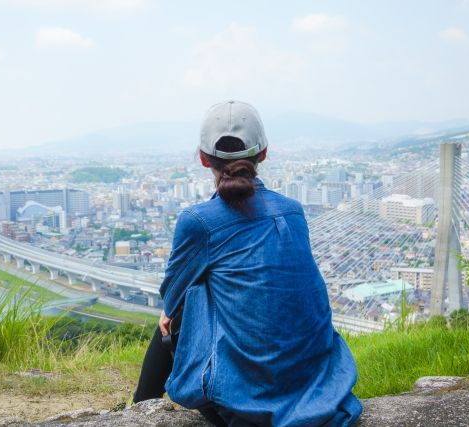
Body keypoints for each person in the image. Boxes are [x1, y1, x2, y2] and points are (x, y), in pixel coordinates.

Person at [133, 100, 362, 426]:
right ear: (264, 153)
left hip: (245, 405)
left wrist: (171, 307)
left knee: (178, 308)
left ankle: (140, 407)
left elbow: (171, 299)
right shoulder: (294, 211)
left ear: (202, 158)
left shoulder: (198, 221)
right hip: (322, 388)